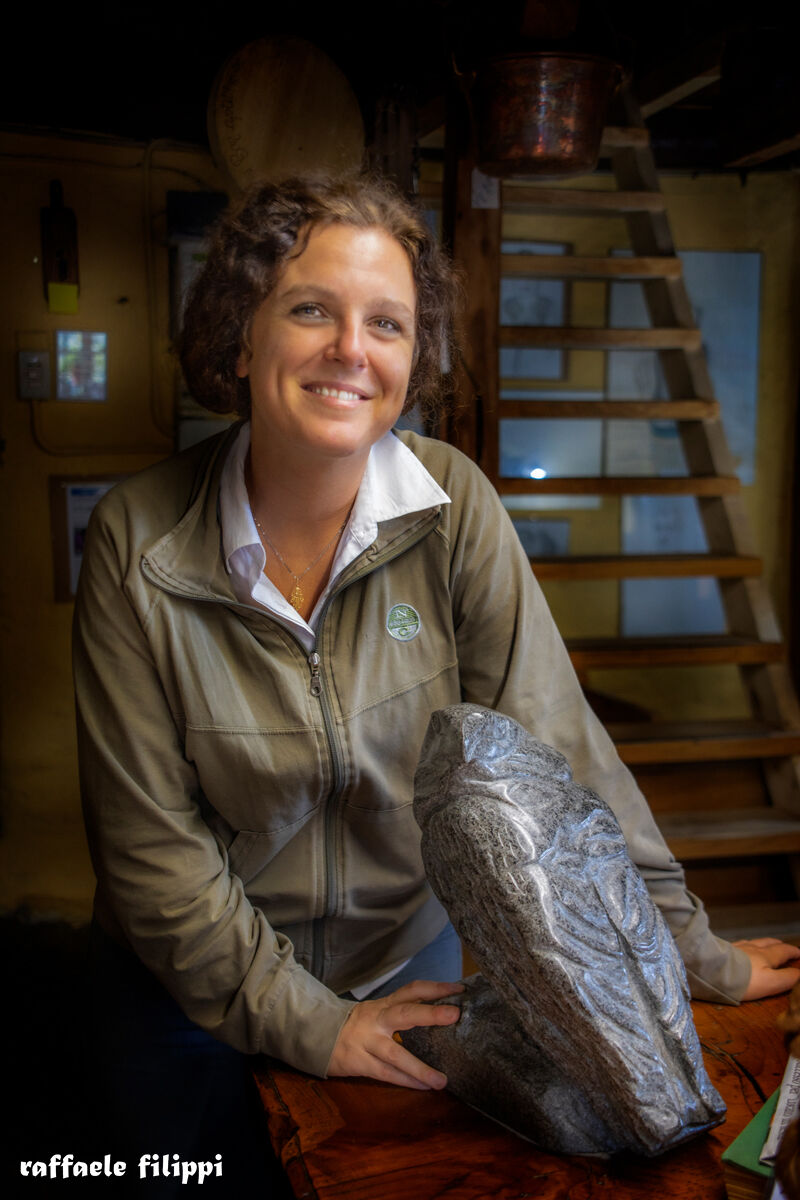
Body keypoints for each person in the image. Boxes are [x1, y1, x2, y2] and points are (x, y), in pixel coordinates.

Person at [74, 173, 799, 1190]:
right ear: (238, 339)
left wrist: (693, 951)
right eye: (311, 309)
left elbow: (564, 752)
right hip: (180, 995)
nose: (349, 351)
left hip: (403, 975)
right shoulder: (135, 539)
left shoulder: (453, 507)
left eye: (387, 323)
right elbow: (151, 852)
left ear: (412, 364)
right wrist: (310, 1025)